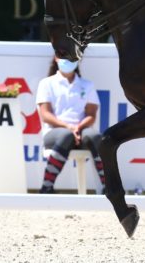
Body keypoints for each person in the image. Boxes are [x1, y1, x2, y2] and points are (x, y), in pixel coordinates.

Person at [36, 57, 104, 194]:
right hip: (54, 132)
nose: (67, 60)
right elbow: (45, 115)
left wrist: (78, 128)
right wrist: (69, 127)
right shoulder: (46, 83)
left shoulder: (87, 85)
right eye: (63, 56)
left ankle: (108, 187)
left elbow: (91, 115)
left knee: (96, 137)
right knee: (66, 136)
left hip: (80, 131)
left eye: (71, 57)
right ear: (56, 58)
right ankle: (46, 188)